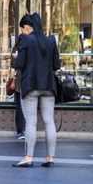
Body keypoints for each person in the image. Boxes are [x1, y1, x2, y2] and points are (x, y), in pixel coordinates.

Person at [11, 13, 60, 168]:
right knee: (49, 121)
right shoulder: (51, 40)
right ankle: (50, 157)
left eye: (23, 29)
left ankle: (28, 157)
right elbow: (56, 65)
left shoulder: (26, 40)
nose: (23, 32)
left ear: (27, 27)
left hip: (30, 86)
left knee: (31, 122)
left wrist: (15, 55)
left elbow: (18, 64)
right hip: (48, 86)